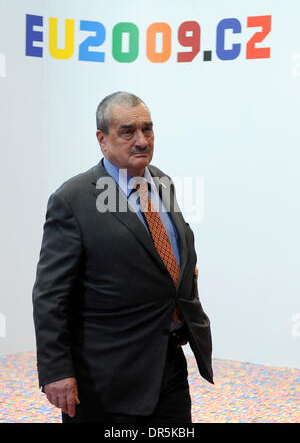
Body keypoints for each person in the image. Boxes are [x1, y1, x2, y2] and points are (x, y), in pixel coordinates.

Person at [32, 91, 213, 424]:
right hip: (106, 378)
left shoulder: (161, 182)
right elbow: (49, 296)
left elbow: (177, 254)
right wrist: (56, 370)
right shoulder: (72, 200)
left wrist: (185, 311)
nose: (141, 140)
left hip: (168, 364)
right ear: (102, 139)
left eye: (147, 129)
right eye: (127, 132)